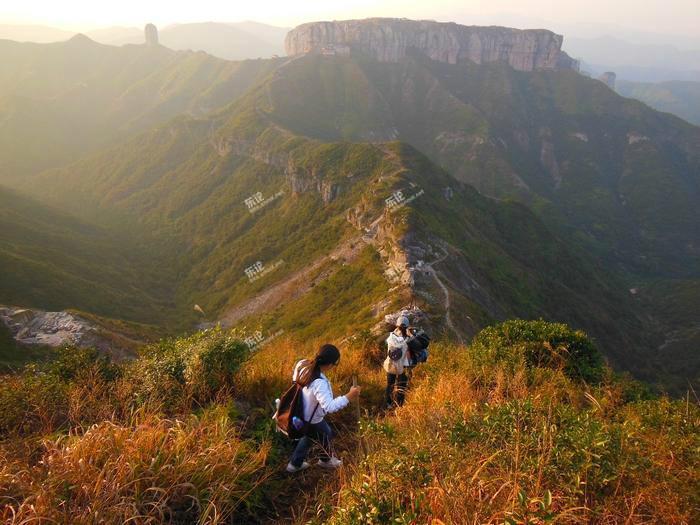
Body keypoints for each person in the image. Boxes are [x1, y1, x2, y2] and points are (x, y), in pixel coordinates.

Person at [286, 343, 361, 473]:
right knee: (325, 433)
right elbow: (329, 407)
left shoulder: (303, 364)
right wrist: (349, 396)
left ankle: (295, 464)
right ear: (331, 364)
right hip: (312, 417)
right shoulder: (319, 383)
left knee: (311, 436)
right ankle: (325, 461)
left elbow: (295, 382)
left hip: (299, 411)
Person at [384, 315, 413, 409]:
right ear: (407, 326)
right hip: (403, 366)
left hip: (390, 364)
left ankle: (388, 404)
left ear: (397, 325)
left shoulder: (391, 337)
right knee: (401, 386)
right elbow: (409, 352)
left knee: (390, 385)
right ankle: (399, 406)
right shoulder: (407, 339)